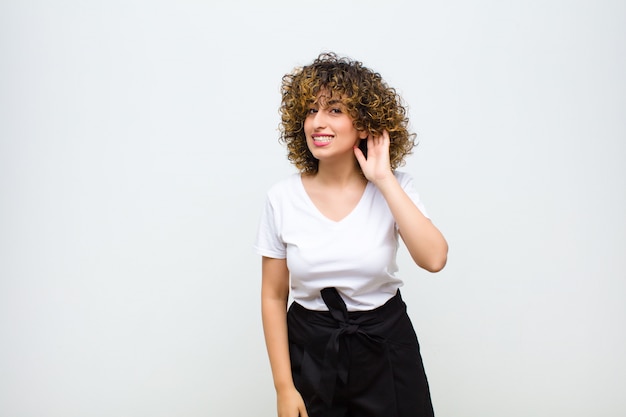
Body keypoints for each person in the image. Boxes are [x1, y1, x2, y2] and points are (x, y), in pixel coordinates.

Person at [255, 52, 448, 417]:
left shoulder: (396, 188)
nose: (318, 122)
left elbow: (434, 259)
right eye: (311, 110)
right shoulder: (281, 198)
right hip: (311, 353)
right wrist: (284, 388)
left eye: (335, 110)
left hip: (387, 349)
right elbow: (272, 295)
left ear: (365, 124)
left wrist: (385, 180)